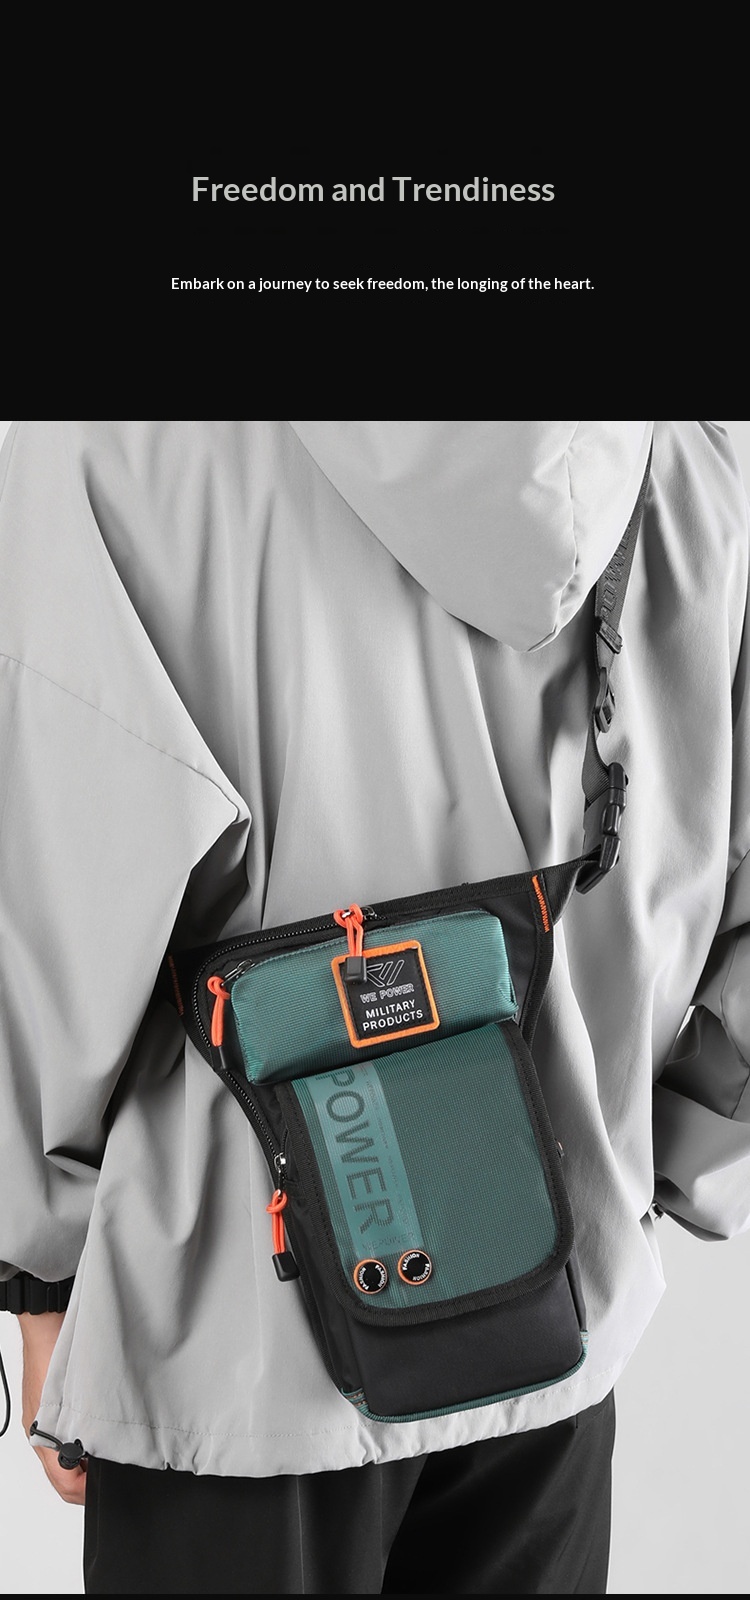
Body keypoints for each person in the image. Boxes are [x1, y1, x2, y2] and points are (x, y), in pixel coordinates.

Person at [1, 420, 749, 1597]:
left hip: (234, 1337)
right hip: (554, 1297)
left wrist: (41, 1264)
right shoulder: (677, 421)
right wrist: (658, 1160)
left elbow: (65, 857)